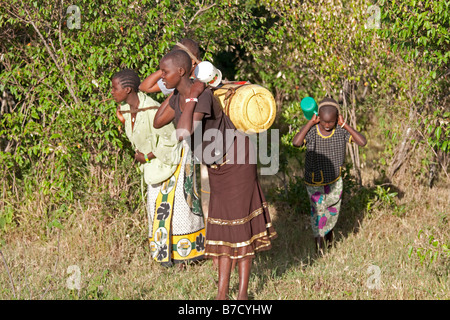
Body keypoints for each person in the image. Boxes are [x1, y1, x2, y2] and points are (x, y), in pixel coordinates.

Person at [153, 50, 277, 300]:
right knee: (221, 229)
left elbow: (184, 131)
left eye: (164, 72)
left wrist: (191, 97)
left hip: (238, 161)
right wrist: (176, 93)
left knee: (240, 229)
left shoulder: (205, 96)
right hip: (218, 167)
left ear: (181, 72)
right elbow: (158, 121)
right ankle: (221, 296)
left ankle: (241, 295)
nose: (160, 77)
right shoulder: (180, 97)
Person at [111, 69, 206, 267]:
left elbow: (171, 138)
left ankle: (187, 257)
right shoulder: (127, 111)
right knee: (158, 209)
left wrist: (146, 156)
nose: (112, 92)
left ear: (128, 89)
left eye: (115, 88)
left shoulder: (152, 109)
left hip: (174, 160)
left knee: (179, 209)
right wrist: (125, 121)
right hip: (154, 166)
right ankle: (166, 256)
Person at [292, 97, 367, 254]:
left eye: (330, 122)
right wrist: (310, 123)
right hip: (314, 182)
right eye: (323, 122)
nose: (327, 125)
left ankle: (330, 244)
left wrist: (344, 125)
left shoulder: (340, 132)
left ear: (337, 118)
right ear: (317, 118)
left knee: (332, 212)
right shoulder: (312, 131)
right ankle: (319, 249)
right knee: (318, 214)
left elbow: (362, 142)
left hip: (334, 181)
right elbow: (296, 142)